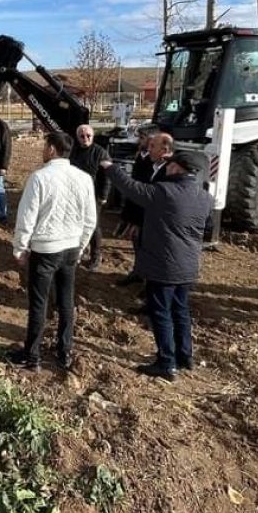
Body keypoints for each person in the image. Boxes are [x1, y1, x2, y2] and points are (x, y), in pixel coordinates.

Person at [102, 151, 213, 382]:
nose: (166, 168)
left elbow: (131, 187)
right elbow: (207, 228)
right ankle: (185, 356)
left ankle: (166, 363)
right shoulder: (204, 197)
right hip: (188, 265)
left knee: (160, 312)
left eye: (169, 165)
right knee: (181, 310)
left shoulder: (163, 192)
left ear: (176, 168)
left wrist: (110, 167)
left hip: (164, 266)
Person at [8, 132, 98, 372]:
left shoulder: (39, 178)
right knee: (67, 301)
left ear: (51, 149)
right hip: (70, 249)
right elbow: (90, 219)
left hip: (45, 249)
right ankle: (64, 351)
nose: (43, 149)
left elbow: (26, 217)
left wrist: (20, 248)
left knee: (39, 303)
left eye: (44, 145)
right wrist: (80, 247)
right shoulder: (84, 178)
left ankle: (32, 355)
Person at [118, 129, 174, 287]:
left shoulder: (168, 169)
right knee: (139, 244)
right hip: (137, 209)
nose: (148, 148)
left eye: (152, 145)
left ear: (164, 150)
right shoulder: (146, 159)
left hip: (151, 218)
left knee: (150, 250)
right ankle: (139, 272)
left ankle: (149, 281)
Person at [69, 124, 112, 270]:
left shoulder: (100, 153)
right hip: (75, 194)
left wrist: (104, 195)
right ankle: (79, 251)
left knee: (93, 226)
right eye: (82, 136)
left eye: (88, 135)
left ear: (93, 136)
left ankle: (96, 255)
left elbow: (107, 176)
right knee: (76, 223)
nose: (85, 138)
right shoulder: (73, 151)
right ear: (77, 137)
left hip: (94, 196)